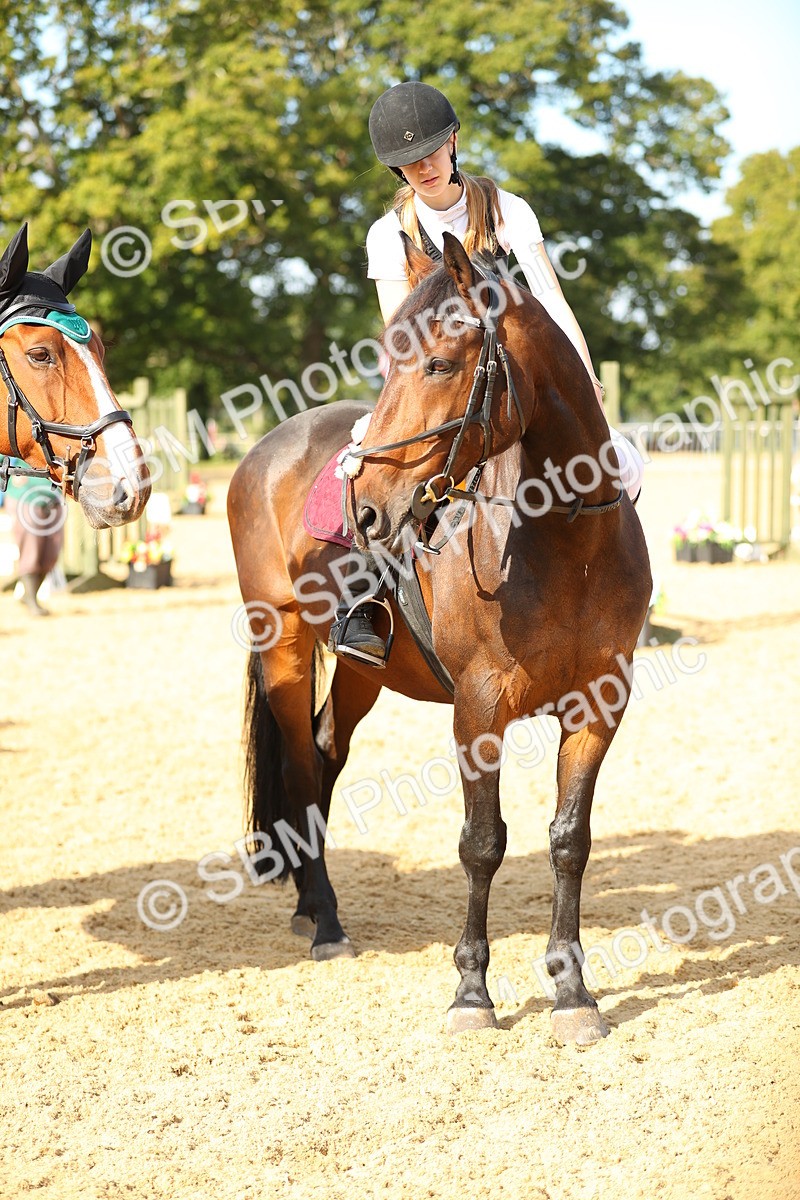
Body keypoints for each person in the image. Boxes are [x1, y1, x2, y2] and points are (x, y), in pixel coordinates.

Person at [329, 81, 643, 665]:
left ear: (453, 142)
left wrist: (587, 382)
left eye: (429, 151)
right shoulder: (387, 234)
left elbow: (550, 298)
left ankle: (614, 589)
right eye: (407, 161)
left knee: (622, 462)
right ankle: (366, 601)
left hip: (518, 383)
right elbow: (401, 335)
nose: (422, 166)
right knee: (358, 469)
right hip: (437, 380)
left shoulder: (505, 209)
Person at [3, 462, 64, 616]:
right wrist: (9, 478)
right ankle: (31, 600)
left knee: (51, 553)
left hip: (53, 499)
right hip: (25, 496)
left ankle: (30, 596)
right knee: (31, 550)